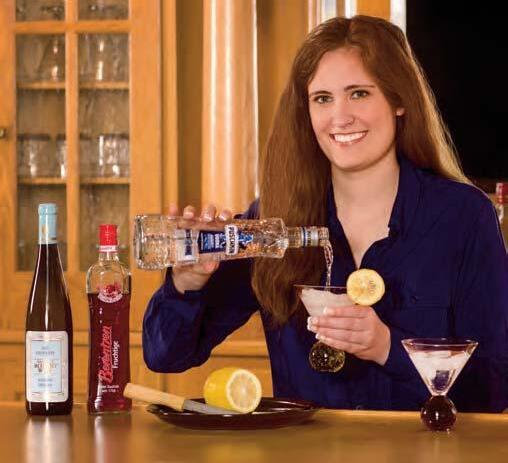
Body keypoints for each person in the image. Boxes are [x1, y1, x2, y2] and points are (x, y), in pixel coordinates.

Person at [142, 15, 508, 412]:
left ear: (399, 100)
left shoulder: (464, 217)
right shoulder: (274, 223)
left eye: (359, 94)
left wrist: (387, 348)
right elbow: (166, 355)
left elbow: (495, 387)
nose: (340, 117)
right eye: (322, 99)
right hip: (306, 445)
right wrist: (187, 281)